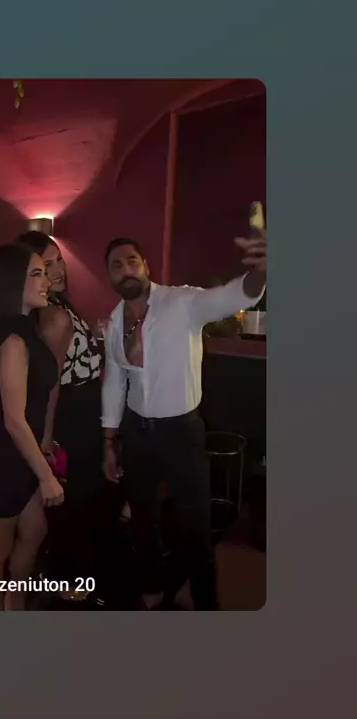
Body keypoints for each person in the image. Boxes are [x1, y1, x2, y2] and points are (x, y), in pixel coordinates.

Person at [101, 230, 266, 610]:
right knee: (143, 519)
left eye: (132, 261)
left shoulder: (182, 302)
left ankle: (207, 604)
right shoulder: (113, 322)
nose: (125, 270)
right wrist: (109, 441)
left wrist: (261, 272)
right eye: (116, 265)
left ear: (146, 266)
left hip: (181, 431)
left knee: (196, 527)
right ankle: (152, 584)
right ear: (109, 276)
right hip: (137, 431)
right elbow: (115, 382)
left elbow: (232, 295)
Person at [0, 242, 64, 611]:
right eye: (37, 274)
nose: (47, 281)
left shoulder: (27, 330)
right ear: (13, 282)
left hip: (19, 457)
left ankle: (15, 605)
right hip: (2, 462)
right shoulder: (13, 339)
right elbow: (13, 418)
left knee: (35, 531)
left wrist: (40, 455)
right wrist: (46, 476)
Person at [16, 231, 104, 602]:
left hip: (84, 409)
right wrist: (47, 438)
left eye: (58, 259)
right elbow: (51, 385)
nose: (57, 269)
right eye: (45, 265)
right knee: (77, 498)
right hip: (73, 414)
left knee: (82, 497)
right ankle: (67, 580)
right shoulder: (54, 316)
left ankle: (66, 573)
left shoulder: (57, 306)